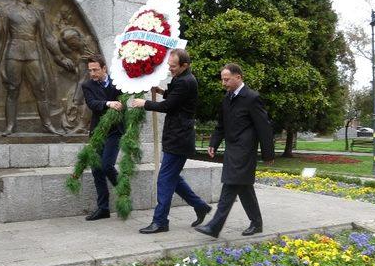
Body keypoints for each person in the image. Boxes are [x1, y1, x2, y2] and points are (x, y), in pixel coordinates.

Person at [0, 0, 74, 136]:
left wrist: (61, 57)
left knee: (41, 89)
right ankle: (10, 126)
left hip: (32, 53)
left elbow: (48, 37)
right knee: (12, 90)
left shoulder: (37, 12)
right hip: (14, 53)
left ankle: (48, 124)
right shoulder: (7, 11)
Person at [131, 49, 212, 234]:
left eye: (173, 66)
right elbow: (176, 99)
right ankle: (200, 206)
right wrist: (162, 91)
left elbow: (168, 106)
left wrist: (145, 104)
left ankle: (160, 221)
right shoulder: (180, 79)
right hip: (175, 136)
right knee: (173, 178)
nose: (170, 69)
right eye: (169, 65)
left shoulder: (186, 81)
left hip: (179, 139)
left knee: (165, 179)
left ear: (185, 65)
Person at [195, 63, 274, 238]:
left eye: (227, 79)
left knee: (230, 184)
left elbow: (264, 127)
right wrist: (214, 143)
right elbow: (221, 125)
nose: (223, 83)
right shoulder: (227, 98)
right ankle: (257, 223)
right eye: (222, 79)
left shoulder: (252, 98)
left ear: (238, 77)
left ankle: (214, 226)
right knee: (244, 187)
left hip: (245, 151)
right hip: (232, 149)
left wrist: (268, 153)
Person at [81, 54, 123, 220]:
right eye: (90, 70)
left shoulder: (118, 82)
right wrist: (108, 103)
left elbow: (125, 99)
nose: (92, 73)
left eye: (95, 70)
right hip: (98, 132)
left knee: (107, 165)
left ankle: (123, 191)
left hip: (115, 131)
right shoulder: (87, 85)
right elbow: (92, 104)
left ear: (104, 68)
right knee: (97, 169)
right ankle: (103, 208)